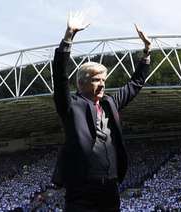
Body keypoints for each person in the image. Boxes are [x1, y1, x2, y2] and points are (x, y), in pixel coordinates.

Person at [52, 11, 151, 212]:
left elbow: (135, 84)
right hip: (81, 188)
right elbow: (60, 77)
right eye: (96, 79)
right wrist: (68, 37)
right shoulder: (71, 106)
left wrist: (147, 51)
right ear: (81, 83)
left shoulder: (109, 104)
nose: (102, 84)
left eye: (104, 80)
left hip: (110, 187)